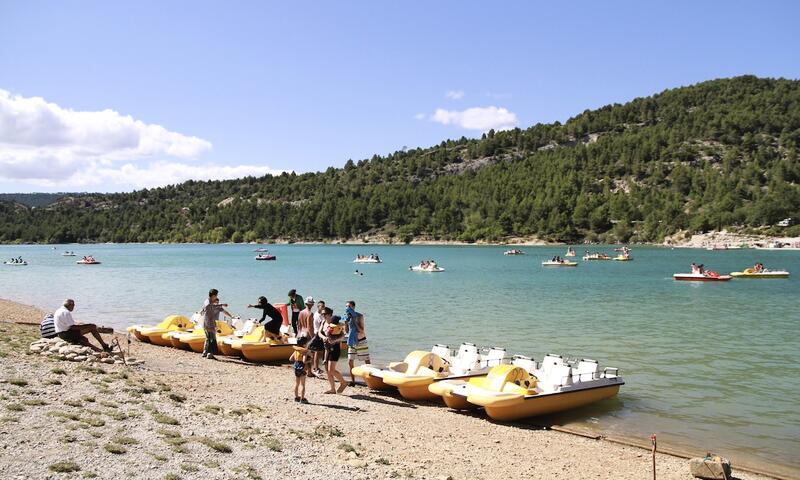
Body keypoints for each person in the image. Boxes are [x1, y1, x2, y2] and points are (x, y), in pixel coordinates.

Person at [318, 311, 347, 394]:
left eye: (325, 314)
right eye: (323, 314)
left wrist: (334, 340)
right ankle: (332, 389)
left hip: (335, 348)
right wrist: (324, 337)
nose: (323, 316)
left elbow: (343, 336)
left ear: (330, 315)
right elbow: (320, 332)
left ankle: (344, 383)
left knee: (331, 370)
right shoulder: (325, 323)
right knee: (327, 370)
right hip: (326, 347)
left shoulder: (337, 325)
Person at [200, 289, 232, 360]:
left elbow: (223, 311)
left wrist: (231, 316)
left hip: (208, 323)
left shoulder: (210, 302)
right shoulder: (208, 302)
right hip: (209, 323)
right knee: (212, 339)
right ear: (214, 295)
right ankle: (209, 354)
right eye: (216, 295)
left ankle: (205, 352)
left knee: (208, 338)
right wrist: (222, 304)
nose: (216, 297)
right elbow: (209, 306)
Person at [344, 300, 370, 386]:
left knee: (366, 361)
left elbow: (362, 330)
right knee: (350, 361)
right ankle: (353, 381)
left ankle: (370, 381)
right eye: (346, 306)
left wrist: (354, 320)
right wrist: (346, 323)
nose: (347, 308)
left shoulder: (359, 316)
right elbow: (347, 331)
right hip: (352, 341)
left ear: (353, 307)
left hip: (361, 340)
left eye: (349, 306)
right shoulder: (348, 317)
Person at [290, 335, 311, 403]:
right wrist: (310, 360)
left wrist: (297, 360)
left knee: (297, 383)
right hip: (302, 368)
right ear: (304, 344)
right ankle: (302, 398)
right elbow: (304, 361)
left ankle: (296, 397)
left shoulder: (296, 351)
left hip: (296, 367)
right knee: (303, 385)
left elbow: (290, 359)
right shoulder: (304, 351)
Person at [309, 301, 326, 375]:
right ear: (318, 307)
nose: (323, 308)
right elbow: (322, 325)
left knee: (317, 352)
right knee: (317, 352)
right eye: (322, 306)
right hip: (318, 334)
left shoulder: (320, 314)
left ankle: (317, 367)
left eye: (324, 306)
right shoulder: (318, 315)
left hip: (319, 333)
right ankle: (316, 368)